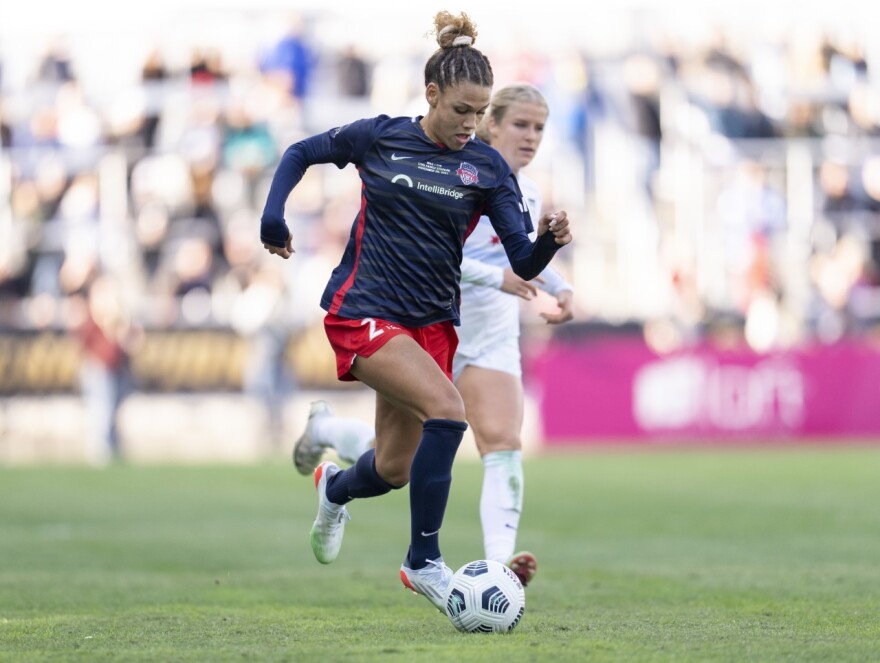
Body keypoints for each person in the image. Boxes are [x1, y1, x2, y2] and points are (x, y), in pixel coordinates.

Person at [259, 11, 572, 612]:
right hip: (365, 310)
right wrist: (274, 216)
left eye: (480, 113)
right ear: (431, 95)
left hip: (432, 324)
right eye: (462, 110)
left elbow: (522, 263)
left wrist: (552, 240)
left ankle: (335, 488)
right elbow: (301, 150)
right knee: (448, 411)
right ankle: (423, 561)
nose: (471, 124)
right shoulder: (380, 136)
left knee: (395, 468)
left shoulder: (486, 168)